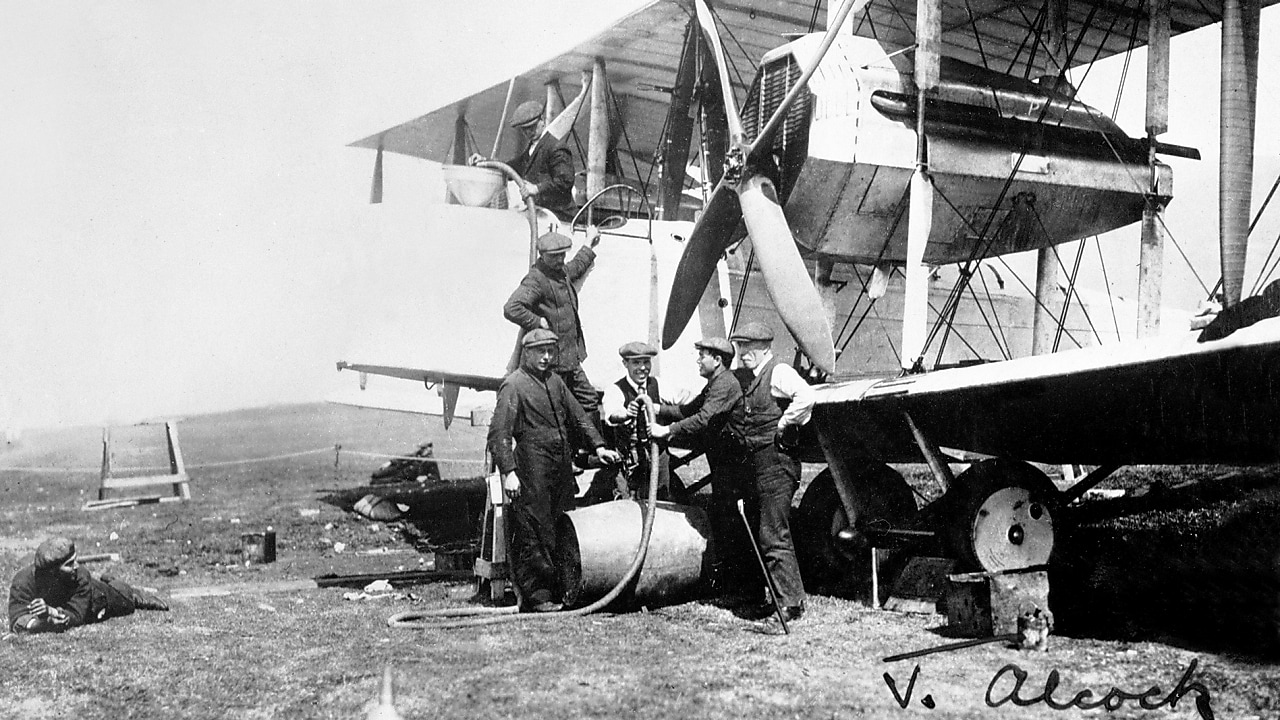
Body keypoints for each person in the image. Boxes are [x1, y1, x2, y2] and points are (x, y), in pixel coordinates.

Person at [487, 329, 621, 612]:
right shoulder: (514, 385)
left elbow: (578, 416)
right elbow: (498, 434)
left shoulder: (555, 381)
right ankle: (539, 595)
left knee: (562, 523)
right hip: (531, 462)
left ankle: (565, 589)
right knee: (534, 527)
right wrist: (509, 471)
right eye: (540, 352)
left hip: (559, 463)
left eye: (550, 351)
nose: (546, 357)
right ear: (527, 353)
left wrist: (598, 446)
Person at [649, 337, 755, 602]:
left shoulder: (726, 385)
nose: (698, 360)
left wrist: (667, 430)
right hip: (723, 465)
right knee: (724, 521)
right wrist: (657, 408)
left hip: (735, 466)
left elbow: (704, 419)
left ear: (718, 360)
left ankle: (743, 590)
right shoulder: (715, 385)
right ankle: (732, 587)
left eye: (702, 355)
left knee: (736, 526)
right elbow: (688, 410)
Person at [728, 321, 816, 622]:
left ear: (765, 347)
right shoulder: (748, 378)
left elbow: (806, 396)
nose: (743, 353)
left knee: (773, 533)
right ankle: (779, 597)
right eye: (740, 346)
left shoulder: (778, 372)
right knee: (764, 531)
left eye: (749, 347)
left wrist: (784, 423)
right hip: (759, 469)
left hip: (778, 467)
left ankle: (791, 604)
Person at [503, 228, 602, 420]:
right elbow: (511, 308)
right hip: (550, 364)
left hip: (570, 360)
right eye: (554, 256)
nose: (560, 260)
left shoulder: (560, 271)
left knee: (589, 401)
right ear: (543, 255)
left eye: (562, 255)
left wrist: (589, 242)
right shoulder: (536, 278)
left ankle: (588, 449)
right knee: (554, 411)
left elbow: (577, 265)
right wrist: (537, 321)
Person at [8, 537, 169, 633]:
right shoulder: (23, 581)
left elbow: (77, 616)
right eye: (69, 564)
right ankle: (110, 579)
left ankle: (122, 587)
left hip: (99, 599)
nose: (77, 566)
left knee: (125, 600)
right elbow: (17, 620)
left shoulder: (81, 575)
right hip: (73, 604)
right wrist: (41, 623)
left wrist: (50, 611)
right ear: (52, 572)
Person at [592, 341, 672, 501]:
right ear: (625, 363)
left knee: (661, 501)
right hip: (629, 459)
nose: (643, 368)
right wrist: (626, 414)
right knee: (626, 503)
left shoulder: (659, 384)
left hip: (657, 456)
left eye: (646, 362)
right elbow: (613, 414)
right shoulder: (615, 389)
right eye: (636, 362)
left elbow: (685, 399)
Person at [471, 100, 576, 220]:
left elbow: (564, 181)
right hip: (538, 213)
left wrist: (537, 188)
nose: (528, 132)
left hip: (560, 217)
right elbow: (510, 168)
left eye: (532, 127)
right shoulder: (531, 149)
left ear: (542, 121)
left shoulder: (556, 147)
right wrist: (484, 162)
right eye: (524, 129)